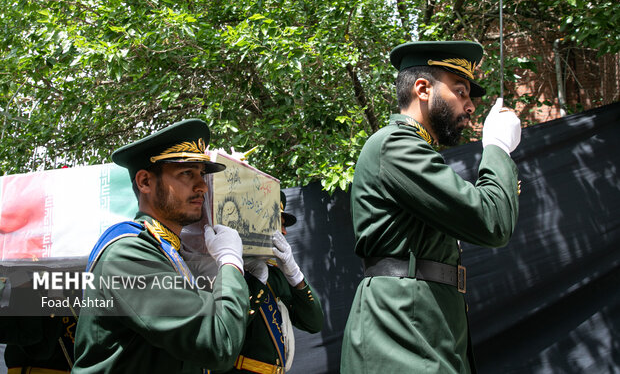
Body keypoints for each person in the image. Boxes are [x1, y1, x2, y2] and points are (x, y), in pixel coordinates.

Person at [340, 41, 521, 374]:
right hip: (400, 336)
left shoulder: (413, 149)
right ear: (422, 89)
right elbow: (492, 221)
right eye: (461, 92)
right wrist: (496, 148)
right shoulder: (395, 145)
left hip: (421, 329)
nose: (470, 107)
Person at [73, 119, 253, 374]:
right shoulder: (129, 255)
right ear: (145, 181)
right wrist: (230, 262)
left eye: (201, 174)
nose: (201, 185)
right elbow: (219, 344)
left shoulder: (165, 251)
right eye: (186, 173)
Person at [227, 191, 324, 374]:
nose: (284, 231)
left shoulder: (277, 273)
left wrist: (295, 275)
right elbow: (226, 333)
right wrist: (256, 282)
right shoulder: (230, 269)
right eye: (278, 223)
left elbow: (314, 323)